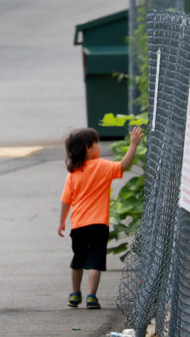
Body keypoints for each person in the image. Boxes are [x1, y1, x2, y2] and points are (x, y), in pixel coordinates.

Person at [57, 125, 143, 309]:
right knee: (95, 260)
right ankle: (91, 297)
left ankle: (74, 294)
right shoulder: (102, 166)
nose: (99, 147)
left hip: (79, 224)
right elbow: (124, 165)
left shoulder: (73, 173)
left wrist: (62, 222)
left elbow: (66, 201)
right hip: (98, 225)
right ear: (88, 147)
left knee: (77, 260)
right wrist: (133, 145)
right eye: (96, 144)